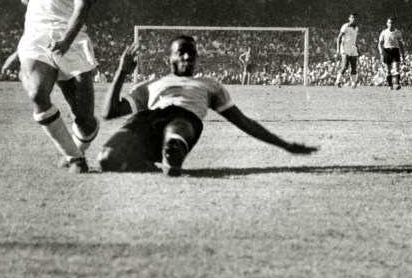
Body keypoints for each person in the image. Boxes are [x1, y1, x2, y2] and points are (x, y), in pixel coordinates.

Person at [98, 36, 318, 176]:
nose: (187, 57)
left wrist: (284, 145)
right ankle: (145, 162)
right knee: (106, 159)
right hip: (148, 119)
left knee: (173, 150)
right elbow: (109, 112)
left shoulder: (210, 85)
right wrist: (121, 72)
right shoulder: (150, 85)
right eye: (181, 52)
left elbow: (243, 122)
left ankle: (170, 155)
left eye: (191, 54)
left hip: (183, 119)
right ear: (170, 58)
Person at [17, 0, 101, 174]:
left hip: (72, 41)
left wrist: (65, 41)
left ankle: (77, 145)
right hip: (38, 39)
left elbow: (82, 8)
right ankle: (75, 157)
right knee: (37, 94)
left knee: (85, 119)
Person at [377, 17, 405, 90]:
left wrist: (403, 53)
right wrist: (380, 51)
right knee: (388, 70)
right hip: (387, 51)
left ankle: (397, 84)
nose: (391, 24)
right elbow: (380, 43)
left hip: (395, 50)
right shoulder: (384, 32)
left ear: (394, 24)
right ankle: (390, 86)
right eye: (389, 22)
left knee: (396, 68)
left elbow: (401, 44)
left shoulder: (398, 32)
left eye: (392, 23)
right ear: (387, 23)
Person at [335, 13, 360, 88]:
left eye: (355, 18)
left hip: (353, 47)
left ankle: (353, 83)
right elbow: (339, 37)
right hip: (345, 46)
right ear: (349, 18)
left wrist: (357, 48)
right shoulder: (345, 26)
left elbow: (354, 40)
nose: (354, 19)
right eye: (352, 17)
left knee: (354, 66)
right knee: (345, 66)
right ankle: (337, 81)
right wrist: (337, 49)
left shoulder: (356, 28)